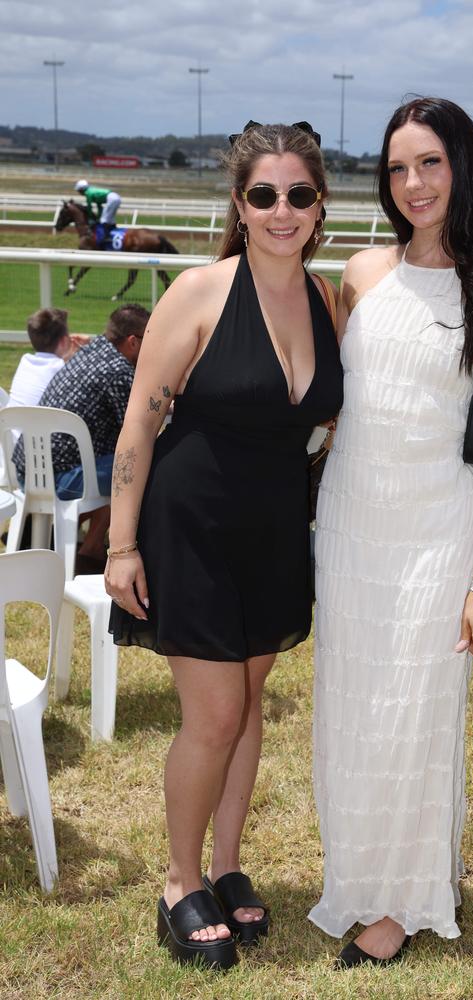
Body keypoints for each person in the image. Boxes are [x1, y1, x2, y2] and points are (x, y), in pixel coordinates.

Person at [309, 97, 473, 967]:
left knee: (415, 712)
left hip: (437, 533)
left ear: (465, 169)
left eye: (432, 163)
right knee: (355, 710)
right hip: (349, 522)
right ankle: (365, 873)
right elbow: (331, 407)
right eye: (399, 167)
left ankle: (401, 906)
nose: (414, 183)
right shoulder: (360, 276)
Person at [104, 121, 343, 970]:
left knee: (246, 711)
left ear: (321, 208)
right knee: (211, 717)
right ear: (239, 206)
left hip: (276, 532)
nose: (283, 211)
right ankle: (178, 881)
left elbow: (330, 417)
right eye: (264, 195)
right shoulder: (198, 292)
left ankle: (228, 864)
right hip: (192, 529)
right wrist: (121, 544)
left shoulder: (326, 301)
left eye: (300, 195)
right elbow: (141, 418)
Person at [12, 304, 149, 571]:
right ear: (132, 341)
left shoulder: (91, 351)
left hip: (26, 473)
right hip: (60, 478)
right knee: (136, 464)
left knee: (116, 462)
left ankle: (74, 539)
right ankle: (93, 549)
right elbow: (138, 431)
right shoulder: (118, 371)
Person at [7, 307, 88, 409]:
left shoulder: (25, 361)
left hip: (12, 423)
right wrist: (87, 349)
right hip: (46, 424)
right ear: (63, 341)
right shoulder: (65, 370)